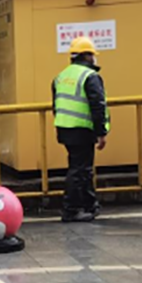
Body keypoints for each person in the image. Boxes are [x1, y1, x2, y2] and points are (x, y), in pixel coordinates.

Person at [52, 36, 110, 223]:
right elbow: (98, 105)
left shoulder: (61, 76)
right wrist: (101, 132)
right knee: (79, 171)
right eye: (92, 55)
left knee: (80, 169)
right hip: (82, 129)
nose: (94, 59)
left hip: (65, 128)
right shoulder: (89, 76)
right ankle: (71, 209)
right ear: (86, 56)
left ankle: (88, 205)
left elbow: (56, 105)